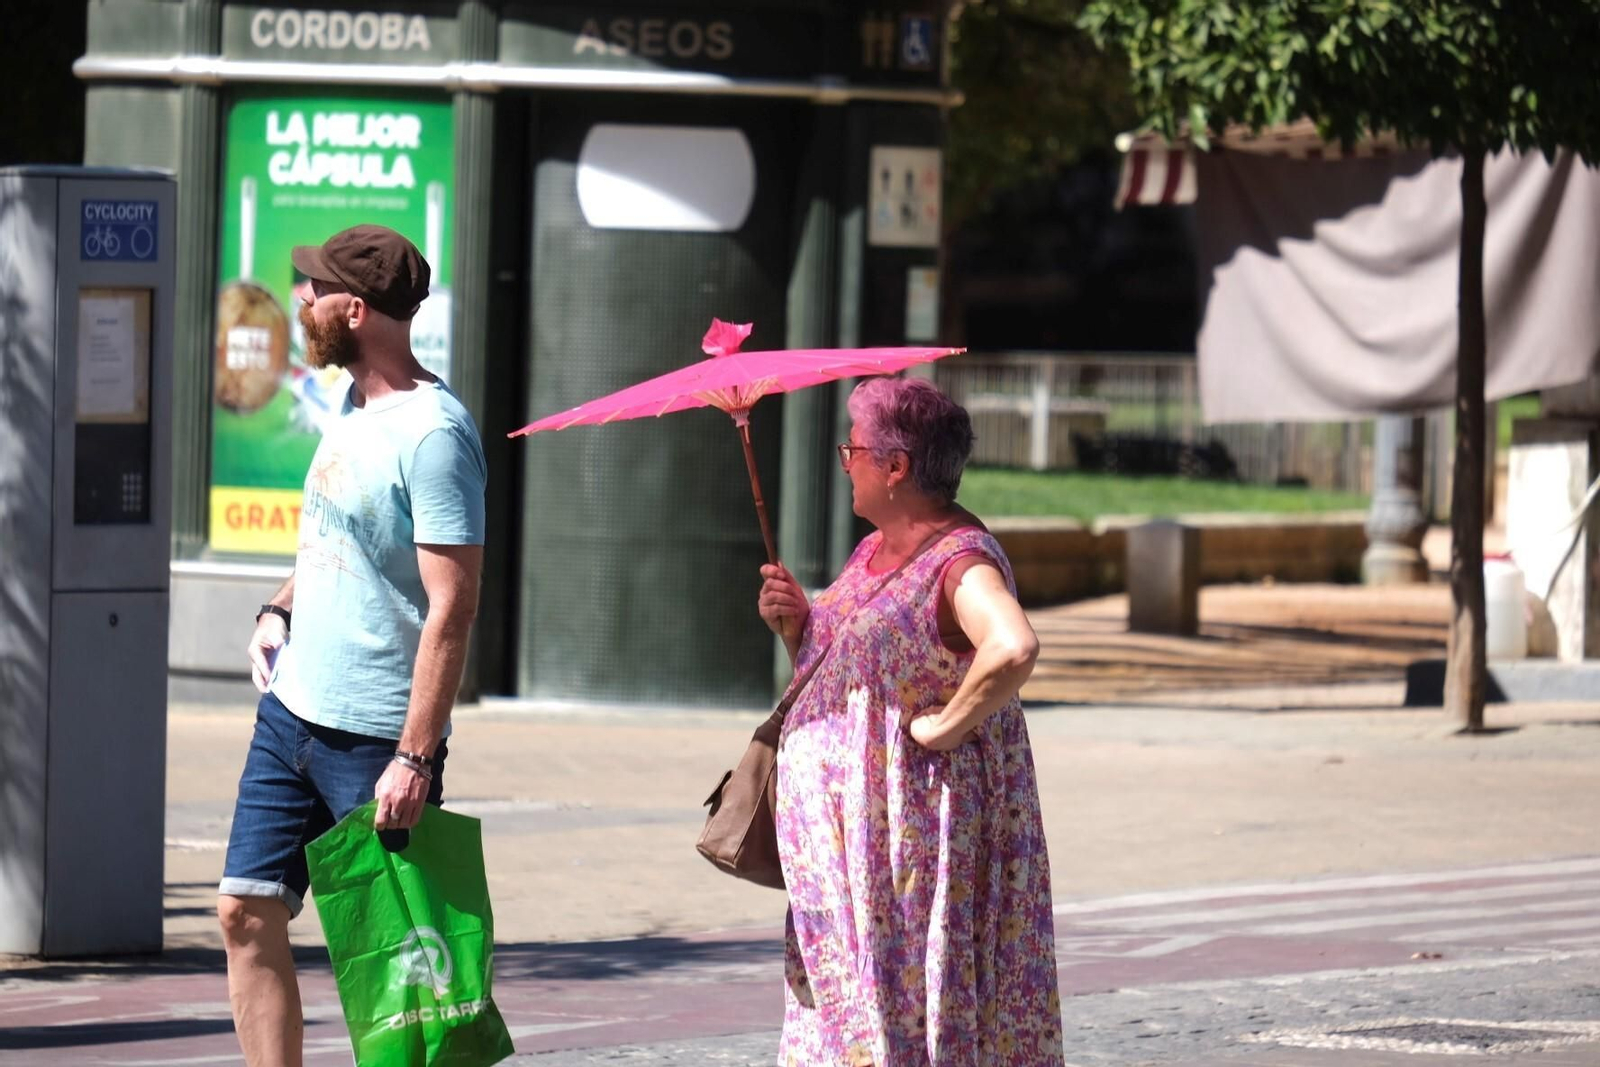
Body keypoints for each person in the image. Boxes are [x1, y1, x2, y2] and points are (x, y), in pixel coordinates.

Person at [217, 224, 487, 1066]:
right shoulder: (352, 406)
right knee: (243, 910)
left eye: (312, 290)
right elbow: (339, 543)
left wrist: (415, 755)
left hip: (374, 740)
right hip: (290, 715)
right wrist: (279, 608)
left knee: (402, 976)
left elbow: (453, 605)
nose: (299, 300)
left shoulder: (435, 436)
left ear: (356, 309)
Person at [757, 377, 1064, 1066]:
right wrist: (798, 627)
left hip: (910, 838)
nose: (845, 462)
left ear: (896, 466)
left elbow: (1012, 646)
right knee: (847, 1004)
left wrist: (945, 727)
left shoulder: (960, 561)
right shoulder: (873, 549)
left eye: (853, 447)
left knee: (903, 995)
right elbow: (861, 671)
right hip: (848, 846)